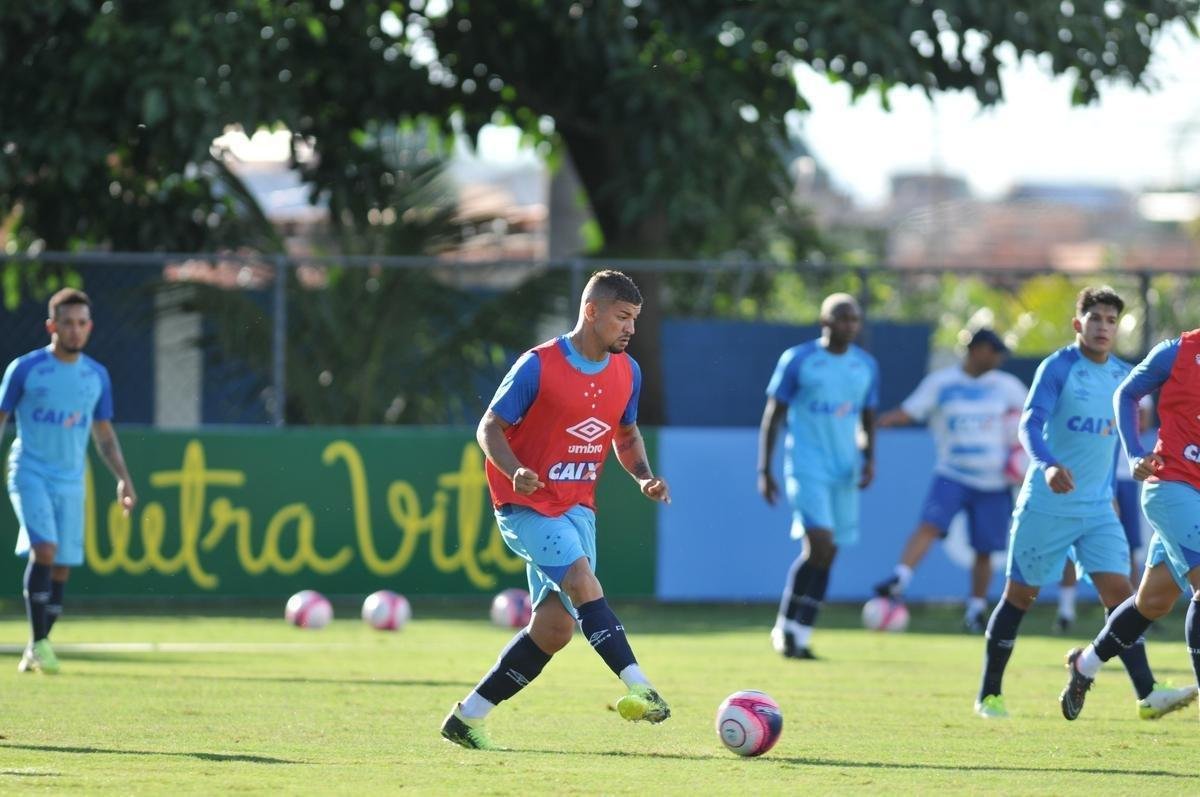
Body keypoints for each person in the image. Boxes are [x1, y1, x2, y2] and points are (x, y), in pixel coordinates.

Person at [440, 270, 672, 750]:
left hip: (577, 509)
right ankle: (640, 686)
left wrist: (643, 476)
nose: (630, 328)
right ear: (592, 311)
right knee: (584, 582)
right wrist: (514, 470)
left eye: (634, 319)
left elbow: (625, 433)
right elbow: (489, 427)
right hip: (526, 506)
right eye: (622, 317)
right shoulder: (538, 365)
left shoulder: (628, 371)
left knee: (553, 630)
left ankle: (467, 719)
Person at [974, 286, 1195, 720]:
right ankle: (990, 695)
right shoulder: (1059, 368)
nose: (1103, 327)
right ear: (1079, 323)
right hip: (1049, 502)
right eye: (1095, 318)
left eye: (1111, 320)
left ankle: (1146, 692)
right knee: (1020, 596)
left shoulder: (1124, 376)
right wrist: (1047, 465)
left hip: (1098, 508)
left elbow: (1123, 433)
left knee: (1124, 595)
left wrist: (1119, 478)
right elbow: (1030, 423)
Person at [1059, 327, 1200, 721]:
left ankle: (1085, 664)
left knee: (1152, 602)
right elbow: (1125, 394)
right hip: (1173, 487)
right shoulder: (1179, 351)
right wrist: (1135, 452)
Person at [0, 288, 137, 674]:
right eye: (68, 323)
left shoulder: (96, 376)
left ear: (89, 327)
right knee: (44, 550)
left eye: (82, 323)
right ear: (52, 326)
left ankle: (36, 646)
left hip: (72, 481)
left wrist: (123, 479)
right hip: (29, 471)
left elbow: (104, 435)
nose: (75, 330)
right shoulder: (25, 369)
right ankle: (41, 644)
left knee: (61, 566)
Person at [872, 329, 1027, 633]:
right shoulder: (941, 383)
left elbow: (1033, 416)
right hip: (953, 474)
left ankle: (976, 610)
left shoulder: (1007, 386)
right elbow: (911, 410)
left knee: (984, 549)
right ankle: (900, 579)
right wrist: (884, 421)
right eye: (994, 351)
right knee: (930, 524)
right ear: (977, 350)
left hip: (994, 481)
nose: (998, 358)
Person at [758, 293, 878, 659]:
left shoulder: (865, 365)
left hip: (845, 468)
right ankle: (784, 627)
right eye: (842, 319)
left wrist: (869, 458)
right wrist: (764, 468)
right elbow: (774, 414)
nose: (850, 325)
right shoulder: (799, 359)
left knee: (830, 552)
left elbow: (867, 416)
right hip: (807, 465)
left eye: (854, 319)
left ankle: (802, 632)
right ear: (825, 322)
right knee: (819, 544)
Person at [1053, 396, 1154, 633]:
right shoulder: (1086, 385)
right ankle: (1066, 610)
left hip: (1126, 476)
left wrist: (1118, 416)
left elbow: (1142, 424)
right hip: (1091, 475)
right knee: (1075, 539)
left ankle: (1135, 612)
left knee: (1128, 544)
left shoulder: (1139, 383)